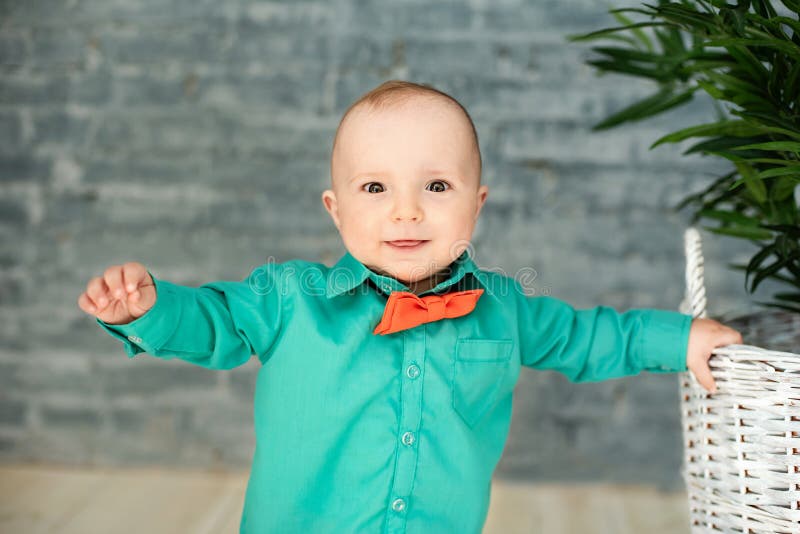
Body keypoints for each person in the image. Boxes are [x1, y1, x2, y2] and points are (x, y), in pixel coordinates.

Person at [77, 79, 744, 533]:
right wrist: (148, 310)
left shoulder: (503, 307)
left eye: (436, 185)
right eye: (374, 187)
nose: (406, 210)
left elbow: (591, 338)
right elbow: (214, 323)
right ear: (336, 212)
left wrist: (679, 340)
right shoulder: (289, 298)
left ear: (475, 204)